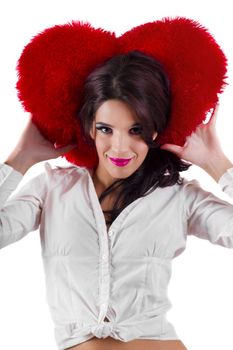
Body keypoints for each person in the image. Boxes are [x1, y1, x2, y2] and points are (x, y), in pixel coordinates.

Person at [1, 51, 233, 350]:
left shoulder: (180, 197)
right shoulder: (52, 189)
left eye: (135, 130)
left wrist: (217, 163)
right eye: (106, 129)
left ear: (155, 130)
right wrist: (20, 159)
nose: (120, 147)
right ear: (89, 128)